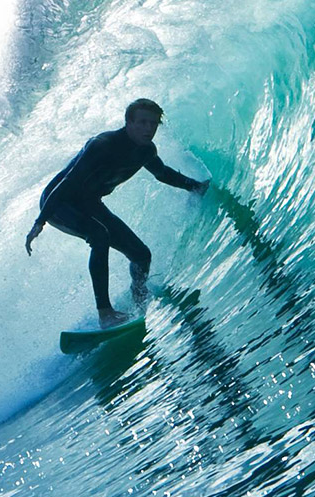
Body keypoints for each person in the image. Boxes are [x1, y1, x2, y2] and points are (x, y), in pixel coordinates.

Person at [26, 98, 208, 326]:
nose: (148, 129)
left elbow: (162, 174)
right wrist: (40, 221)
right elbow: (68, 183)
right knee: (99, 236)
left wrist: (195, 186)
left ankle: (138, 295)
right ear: (128, 122)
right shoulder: (102, 145)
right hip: (59, 202)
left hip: (89, 202)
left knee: (142, 255)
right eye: (142, 122)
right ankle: (105, 313)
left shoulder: (146, 151)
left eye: (153, 124)